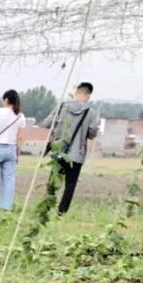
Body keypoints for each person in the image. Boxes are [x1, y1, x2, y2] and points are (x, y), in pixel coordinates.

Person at [44, 82, 101, 214]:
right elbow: (92, 134)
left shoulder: (62, 106)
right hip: (77, 155)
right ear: (88, 95)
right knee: (70, 185)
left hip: (59, 151)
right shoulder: (91, 113)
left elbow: (47, 123)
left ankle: (46, 208)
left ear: (76, 92)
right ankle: (61, 212)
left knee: (53, 182)